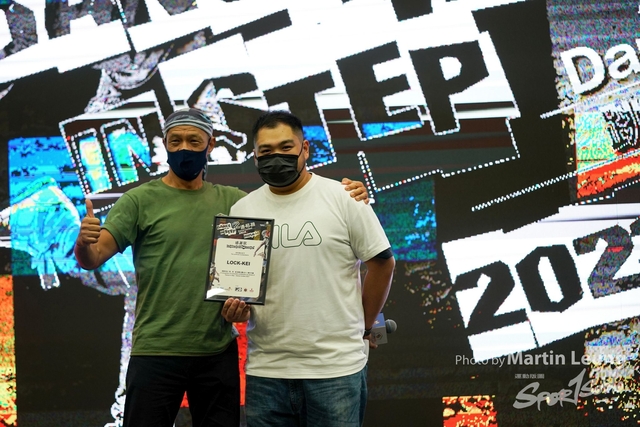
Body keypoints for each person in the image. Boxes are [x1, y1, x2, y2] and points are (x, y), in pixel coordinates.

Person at [73, 107, 370, 427]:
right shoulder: (138, 200)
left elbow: (288, 210)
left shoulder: (236, 202)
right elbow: (94, 257)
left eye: (193, 141)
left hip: (216, 351)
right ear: (165, 144)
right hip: (156, 350)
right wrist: (83, 244)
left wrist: (348, 193)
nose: (184, 148)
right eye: (175, 141)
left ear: (210, 145)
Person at [222, 110, 396, 427]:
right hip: (266, 371)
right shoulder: (243, 211)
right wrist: (235, 309)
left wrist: (365, 326)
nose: (276, 157)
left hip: (335, 369)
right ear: (255, 156)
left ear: (305, 149)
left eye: (286, 147)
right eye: (266, 151)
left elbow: (382, 263)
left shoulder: (344, 197)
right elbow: (238, 293)